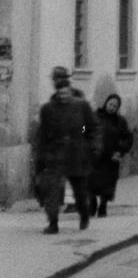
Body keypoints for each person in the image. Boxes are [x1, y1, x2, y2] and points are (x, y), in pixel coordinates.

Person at [34, 66, 97, 234]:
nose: (57, 80)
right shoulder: (48, 108)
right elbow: (43, 133)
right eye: (55, 78)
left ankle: (84, 213)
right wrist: (41, 155)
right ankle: (53, 222)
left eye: (60, 78)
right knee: (52, 190)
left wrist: (83, 137)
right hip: (55, 154)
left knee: (79, 190)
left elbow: (87, 125)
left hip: (76, 153)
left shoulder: (80, 101)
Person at [90, 92, 134, 217]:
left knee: (108, 183)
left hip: (111, 158)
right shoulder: (95, 116)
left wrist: (120, 151)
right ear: (106, 103)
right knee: (91, 181)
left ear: (117, 108)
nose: (112, 107)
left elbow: (128, 137)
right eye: (110, 104)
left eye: (115, 106)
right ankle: (92, 202)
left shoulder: (120, 121)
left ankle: (103, 206)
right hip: (95, 156)